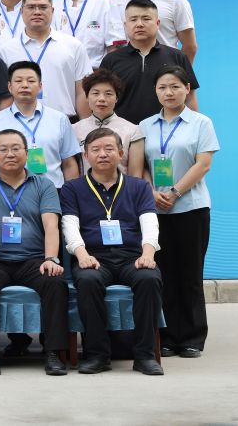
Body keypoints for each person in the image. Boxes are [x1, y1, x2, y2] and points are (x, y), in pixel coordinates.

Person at [0, 129, 70, 376]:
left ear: (27, 153)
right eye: (3, 149)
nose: (10, 154)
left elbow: (51, 225)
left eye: (16, 148)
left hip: (34, 259)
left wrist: (50, 259)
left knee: (55, 281)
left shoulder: (44, 185)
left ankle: (53, 352)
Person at [62, 128, 164, 375]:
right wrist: (82, 255)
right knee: (88, 280)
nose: (102, 154)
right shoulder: (73, 188)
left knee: (149, 279)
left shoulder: (139, 187)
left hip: (132, 257)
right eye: (95, 150)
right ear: (86, 155)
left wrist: (148, 254)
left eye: (109, 149)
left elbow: (150, 223)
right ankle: (97, 355)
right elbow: (70, 226)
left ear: (121, 153)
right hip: (94, 257)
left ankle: (145, 356)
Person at [131, 66, 213, 358]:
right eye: (163, 87)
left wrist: (175, 192)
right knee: (162, 274)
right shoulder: (145, 125)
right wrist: (151, 193)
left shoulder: (201, 122)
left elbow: (203, 164)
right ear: (155, 91)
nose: (169, 92)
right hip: (155, 209)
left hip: (191, 207)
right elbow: (139, 166)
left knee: (190, 274)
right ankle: (165, 337)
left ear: (187, 89)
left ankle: (191, 337)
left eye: (175, 86)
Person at [100, 0, 199, 122]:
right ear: (125, 25)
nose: (139, 24)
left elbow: (189, 98)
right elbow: (101, 99)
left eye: (146, 19)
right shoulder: (111, 60)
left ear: (157, 23)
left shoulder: (176, 56)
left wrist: (192, 127)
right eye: (133, 19)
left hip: (168, 129)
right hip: (122, 131)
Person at [0, 0, 86, 118]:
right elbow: (3, 96)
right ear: (21, 11)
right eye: (31, 7)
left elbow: (82, 91)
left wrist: (84, 127)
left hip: (64, 121)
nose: (37, 12)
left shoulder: (73, 46)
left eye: (43, 7)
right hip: (19, 123)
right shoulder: (6, 51)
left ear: (52, 11)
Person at [0, 60, 81, 185]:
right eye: (18, 81)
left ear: (40, 86)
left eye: (31, 81)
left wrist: (69, 194)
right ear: (9, 87)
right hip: (10, 191)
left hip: (53, 190)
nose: (25, 85)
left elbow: (69, 163)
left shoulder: (59, 119)